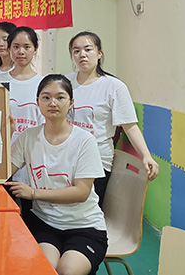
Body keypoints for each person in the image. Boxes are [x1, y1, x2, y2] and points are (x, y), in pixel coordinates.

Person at [5, 74, 107, 275]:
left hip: (84, 226)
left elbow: (81, 192)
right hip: (44, 223)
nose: (53, 103)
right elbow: (3, 172)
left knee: (67, 271)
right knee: (46, 269)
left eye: (60, 97)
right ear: (37, 102)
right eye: (46, 97)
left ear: (71, 103)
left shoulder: (85, 141)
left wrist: (33, 193)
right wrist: (6, 135)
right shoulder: (29, 136)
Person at [66, 31, 159, 204]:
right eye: (76, 51)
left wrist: (146, 155)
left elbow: (129, 126)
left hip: (97, 161)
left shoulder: (114, 86)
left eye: (88, 49)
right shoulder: (65, 83)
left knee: (87, 210)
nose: (82, 55)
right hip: (65, 158)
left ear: (99, 53)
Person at [0, 26, 44, 185]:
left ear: (35, 49)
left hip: (33, 154)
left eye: (27, 47)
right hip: (3, 154)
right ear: (9, 49)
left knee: (29, 198)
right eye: (16, 47)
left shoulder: (43, 83)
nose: (21, 52)